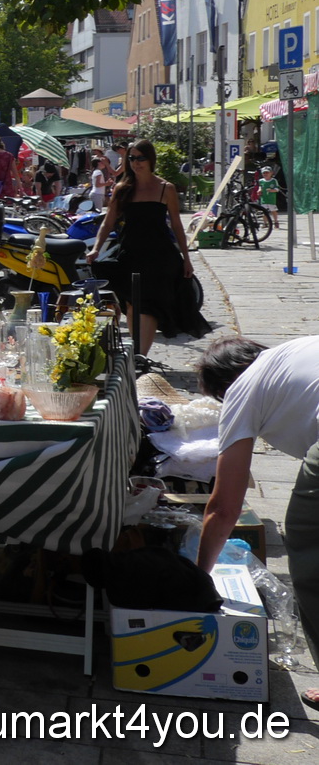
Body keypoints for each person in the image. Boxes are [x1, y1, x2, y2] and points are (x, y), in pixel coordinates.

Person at [194, 336, 319, 706]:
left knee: (308, 539)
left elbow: (225, 507)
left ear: (223, 387)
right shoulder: (293, 351)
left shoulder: (243, 388)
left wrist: (199, 577)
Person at [88, 138, 209, 368]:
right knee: (131, 304)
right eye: (131, 158)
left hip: (158, 255)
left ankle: (140, 356)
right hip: (129, 252)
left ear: (151, 159)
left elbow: (176, 225)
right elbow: (108, 222)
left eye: (140, 158)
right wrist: (96, 248)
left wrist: (186, 258)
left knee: (149, 305)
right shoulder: (123, 188)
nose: (135, 163)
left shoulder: (166, 188)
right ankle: (136, 353)